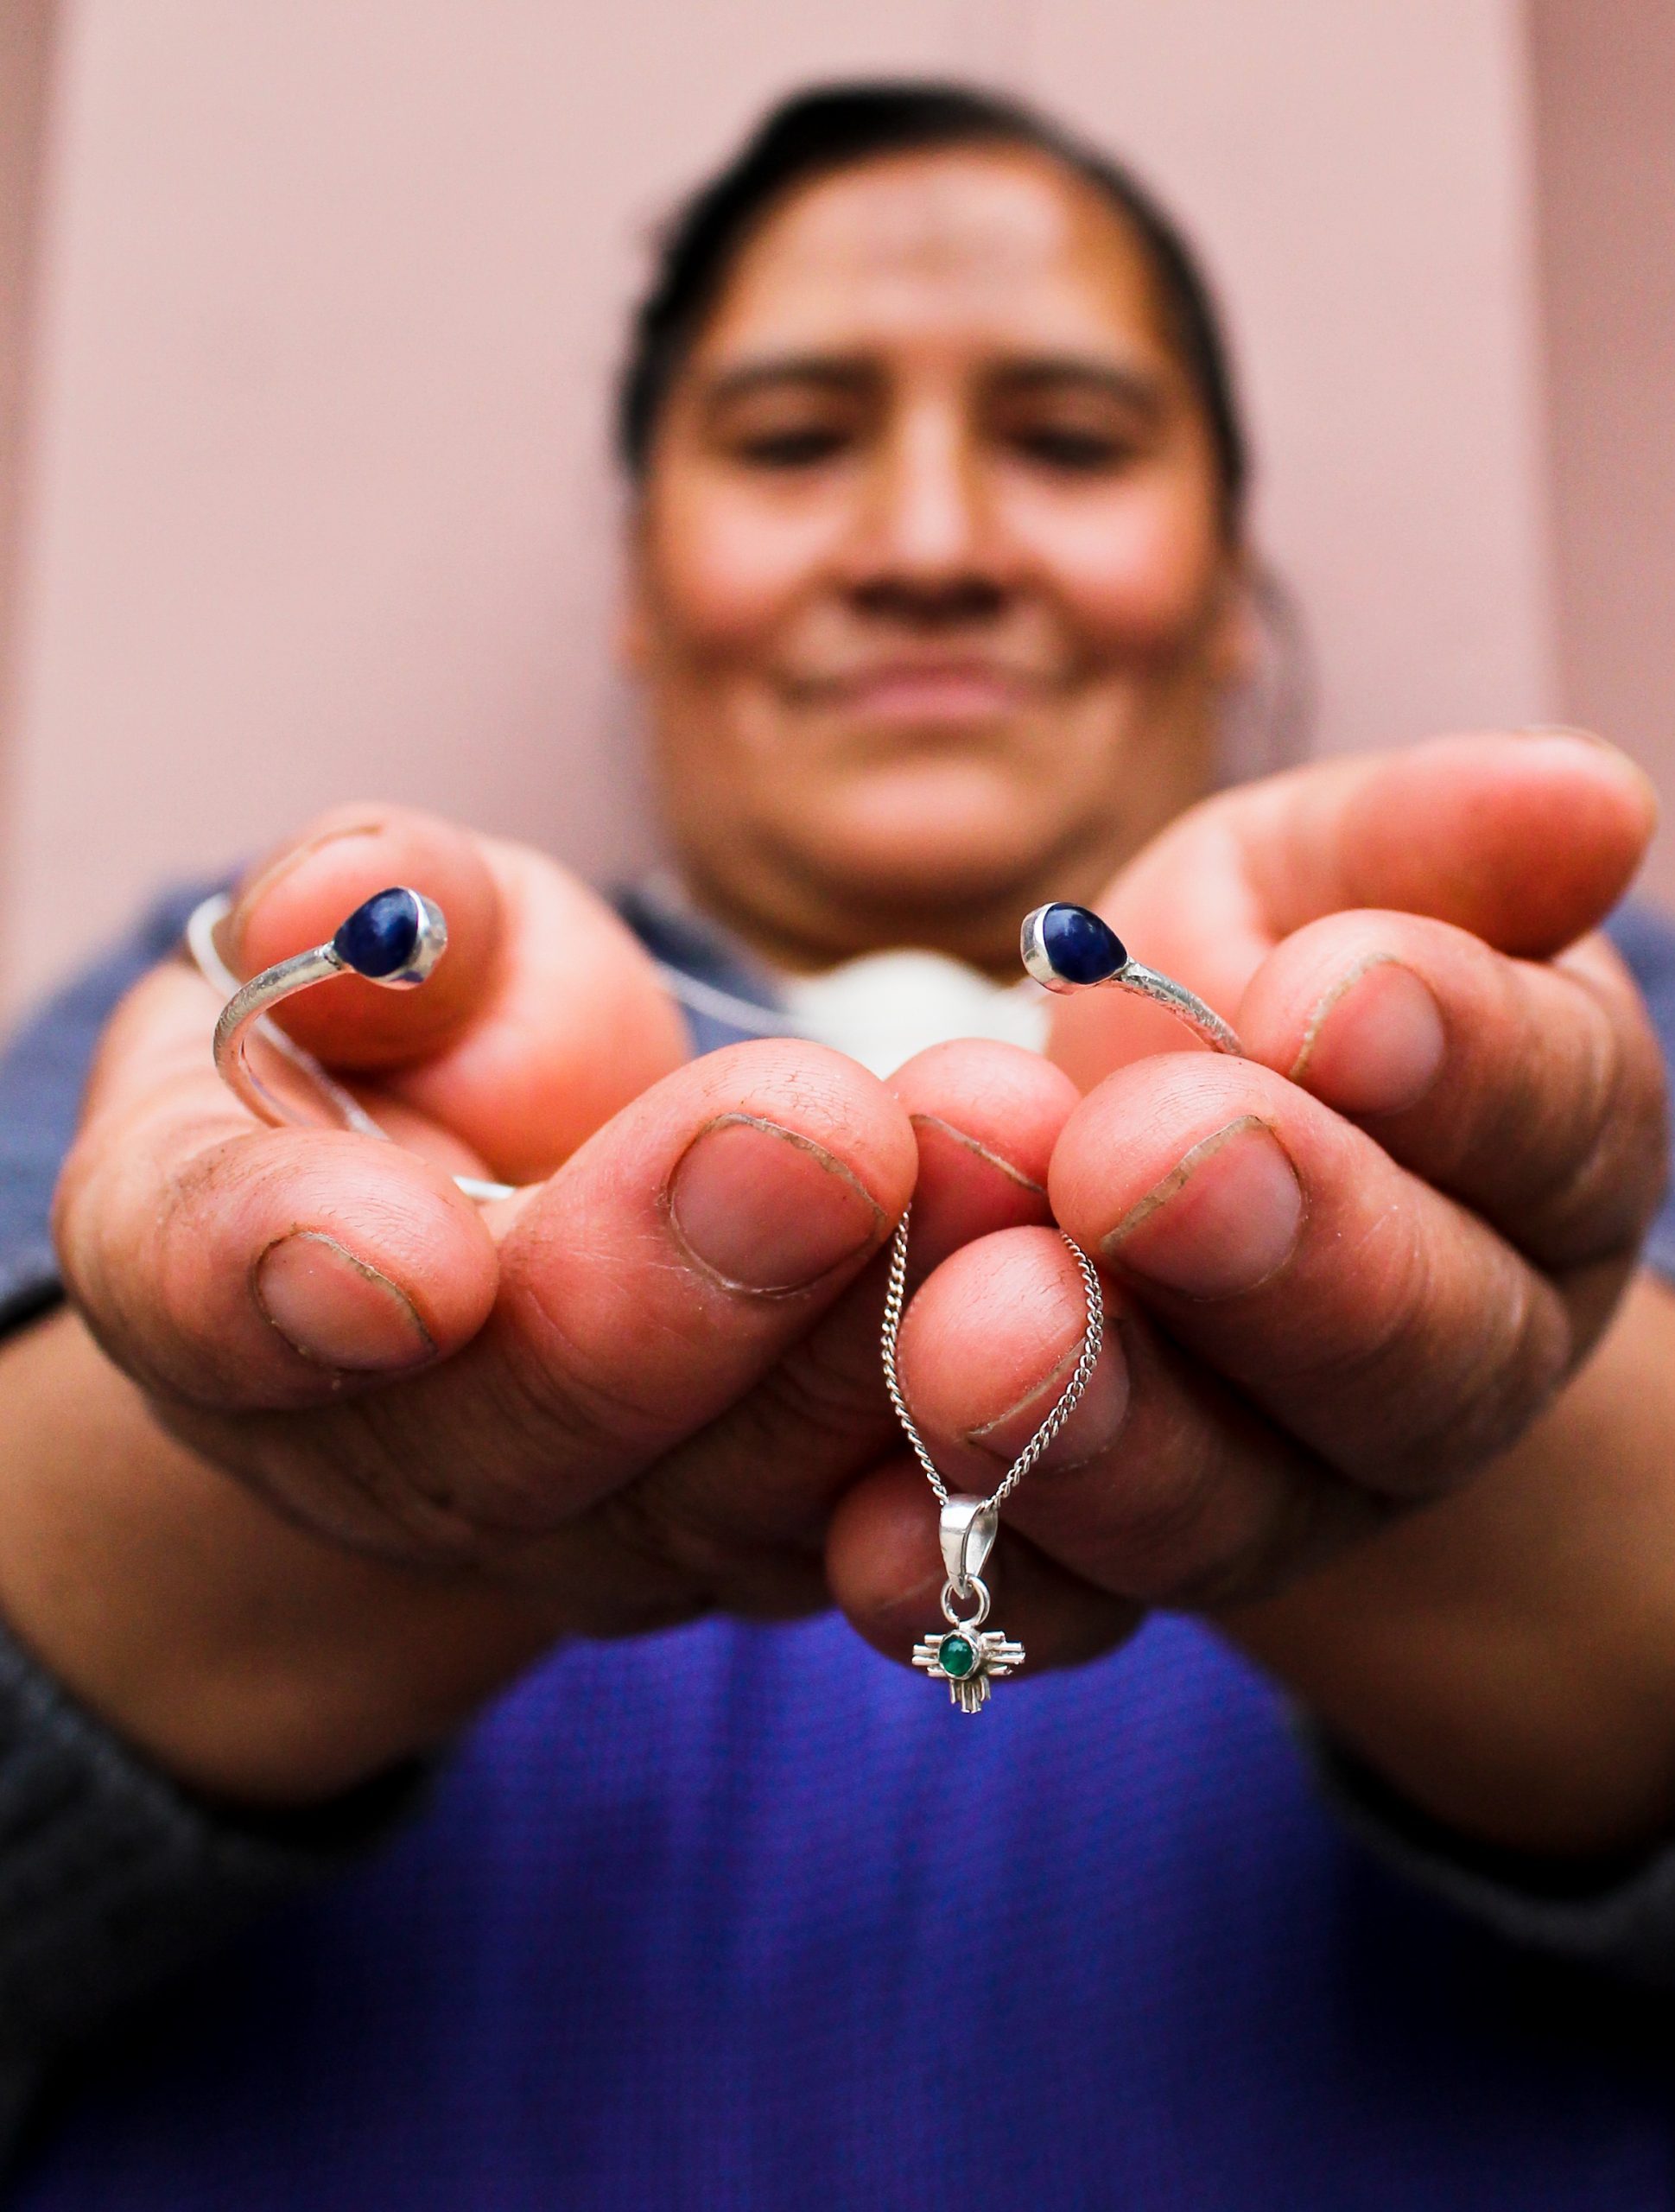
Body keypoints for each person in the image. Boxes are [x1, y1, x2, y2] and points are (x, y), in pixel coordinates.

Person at [2, 79, 1674, 2207]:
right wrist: (311, 1414)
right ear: (643, 581)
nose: (927, 542)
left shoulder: (1556, 1026)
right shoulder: (273, 1023)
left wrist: (1446, 1365)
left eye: (1069, 440)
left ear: (1229, 590)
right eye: (794, 441)